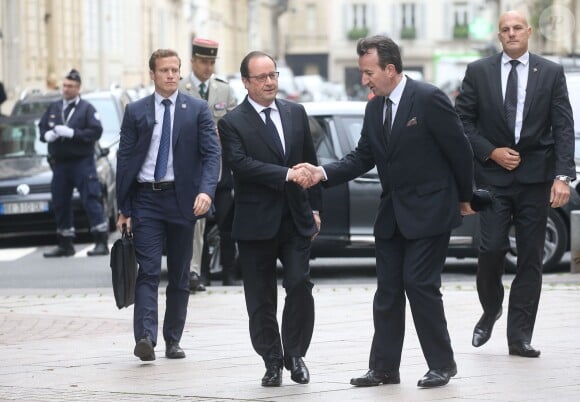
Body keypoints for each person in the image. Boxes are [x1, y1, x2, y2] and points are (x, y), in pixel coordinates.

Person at [295, 35, 475, 388]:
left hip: (431, 210)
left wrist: (465, 198)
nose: (364, 80)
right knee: (388, 291)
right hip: (392, 215)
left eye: (368, 72)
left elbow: (460, 150)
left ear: (390, 69)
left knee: (420, 285)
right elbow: (363, 156)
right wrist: (323, 173)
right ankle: (383, 369)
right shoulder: (375, 107)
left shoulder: (428, 98)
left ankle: (442, 364)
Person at [455, 10, 575, 358]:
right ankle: (491, 308)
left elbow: (563, 126)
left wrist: (563, 176)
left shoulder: (550, 72)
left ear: (529, 32)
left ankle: (519, 336)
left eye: (517, 28)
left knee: (531, 260)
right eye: (505, 29)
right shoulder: (479, 71)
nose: (511, 34)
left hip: (536, 178)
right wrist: (490, 152)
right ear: (499, 35)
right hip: (493, 180)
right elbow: (463, 120)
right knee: (490, 249)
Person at [218, 51, 322, 387]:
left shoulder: (295, 113)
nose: (269, 82)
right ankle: (272, 360)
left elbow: (310, 162)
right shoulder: (232, 122)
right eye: (261, 77)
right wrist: (285, 174)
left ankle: (295, 354)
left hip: (295, 218)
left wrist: (316, 209)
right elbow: (241, 165)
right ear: (246, 82)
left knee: (299, 284)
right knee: (260, 298)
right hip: (255, 223)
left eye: (273, 75)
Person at [115, 49, 220, 361]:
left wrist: (206, 192)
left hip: (183, 200)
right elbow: (125, 159)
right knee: (147, 270)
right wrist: (125, 207)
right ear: (153, 74)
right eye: (164, 71)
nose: (171, 75)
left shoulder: (197, 109)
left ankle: (173, 339)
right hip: (147, 197)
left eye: (175, 70)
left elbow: (213, 155)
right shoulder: (136, 111)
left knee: (179, 273)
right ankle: (145, 337)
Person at [179, 38, 238, 290]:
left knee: (226, 224)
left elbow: (236, 122)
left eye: (212, 62)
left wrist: (220, 131)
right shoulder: (181, 88)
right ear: (193, 61)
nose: (208, 67)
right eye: (204, 62)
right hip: (193, 168)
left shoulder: (223, 90)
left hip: (221, 170)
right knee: (197, 224)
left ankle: (228, 274)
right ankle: (199, 274)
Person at [38, 69, 110, 257]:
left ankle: (101, 241)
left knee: (91, 199)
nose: (66, 89)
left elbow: (95, 132)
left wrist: (73, 133)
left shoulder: (86, 109)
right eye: (64, 85)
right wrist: (47, 135)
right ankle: (65, 243)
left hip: (82, 162)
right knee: (60, 202)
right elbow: (42, 127)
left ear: (78, 88)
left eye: (70, 86)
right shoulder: (54, 107)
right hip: (60, 164)